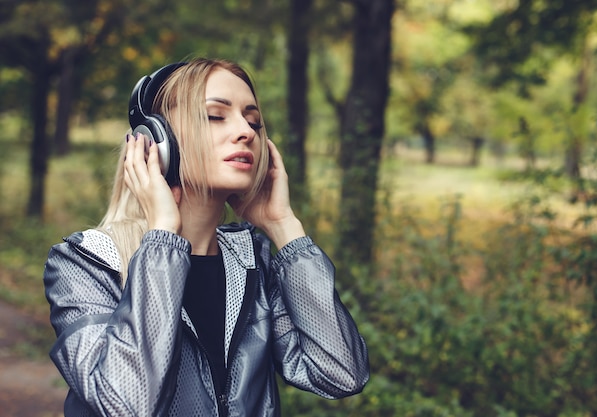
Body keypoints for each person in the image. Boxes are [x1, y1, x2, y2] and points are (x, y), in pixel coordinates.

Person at [43, 58, 369, 416]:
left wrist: (284, 226)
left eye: (253, 120)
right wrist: (163, 236)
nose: (245, 130)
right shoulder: (86, 261)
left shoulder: (252, 261)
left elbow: (341, 374)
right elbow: (128, 404)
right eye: (216, 115)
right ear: (156, 140)